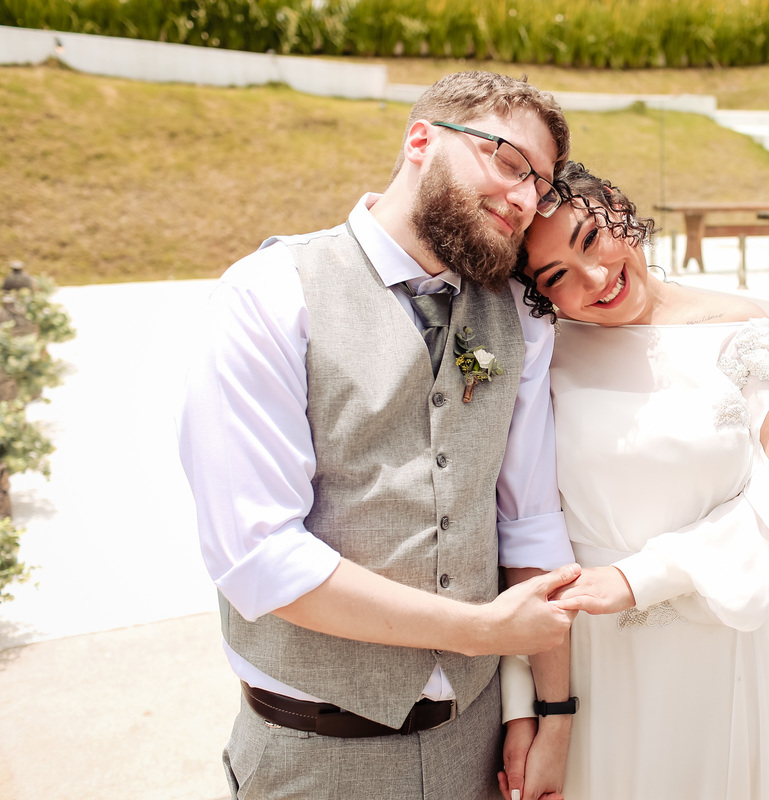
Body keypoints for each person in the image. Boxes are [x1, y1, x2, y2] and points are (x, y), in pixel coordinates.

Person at [177, 71, 583, 800]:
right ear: (421, 140)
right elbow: (260, 556)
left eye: (540, 186)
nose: (525, 198)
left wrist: (551, 716)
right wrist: (480, 631)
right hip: (313, 758)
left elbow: (529, 521)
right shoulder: (270, 293)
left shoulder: (519, 316)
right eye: (509, 161)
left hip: (479, 747)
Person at [501, 161, 769, 799]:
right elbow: (521, 523)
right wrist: (525, 705)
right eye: (556, 276)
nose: (594, 279)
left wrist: (639, 578)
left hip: (718, 634)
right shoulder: (542, 353)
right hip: (588, 653)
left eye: (591, 239)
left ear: (618, 208)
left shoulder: (742, 333)